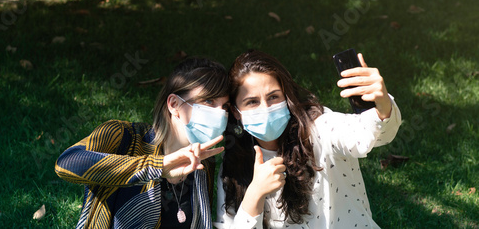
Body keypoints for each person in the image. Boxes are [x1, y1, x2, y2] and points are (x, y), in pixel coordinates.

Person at [214, 50, 401, 228]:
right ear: (235, 111)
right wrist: (254, 194)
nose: (266, 108)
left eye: (273, 97)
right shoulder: (233, 166)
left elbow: (369, 133)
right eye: (252, 102)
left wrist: (382, 105)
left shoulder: (318, 128)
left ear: (286, 98)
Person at [55, 57, 230, 229]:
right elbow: (66, 164)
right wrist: (159, 166)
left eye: (225, 107)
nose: (220, 114)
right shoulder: (124, 136)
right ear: (174, 104)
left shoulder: (202, 164)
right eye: (209, 101)